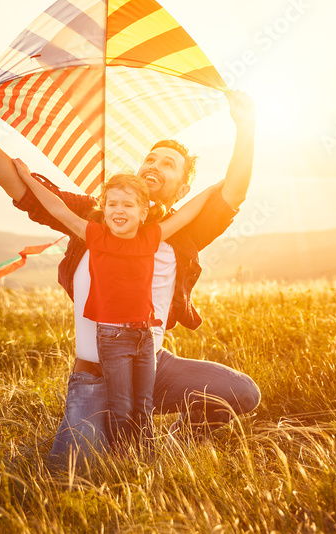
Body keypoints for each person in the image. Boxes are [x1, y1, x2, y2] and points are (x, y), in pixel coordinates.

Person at [0, 88, 260, 466]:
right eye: (150, 159)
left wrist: (245, 126)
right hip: (94, 373)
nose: (154, 165)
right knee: (75, 474)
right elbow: (23, 190)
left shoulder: (184, 231)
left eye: (168, 164)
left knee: (242, 392)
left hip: (153, 365)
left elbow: (233, 191)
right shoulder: (96, 217)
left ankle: (177, 440)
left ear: (182, 188)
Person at [14, 160, 222, 452]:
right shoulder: (95, 236)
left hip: (144, 337)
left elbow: (185, 215)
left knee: (143, 404)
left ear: (143, 212)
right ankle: (122, 456)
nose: (119, 211)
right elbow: (57, 207)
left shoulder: (150, 237)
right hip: (112, 338)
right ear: (104, 207)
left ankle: (143, 458)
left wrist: (213, 189)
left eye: (127, 205)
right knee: (122, 405)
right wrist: (27, 177)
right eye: (112, 205)